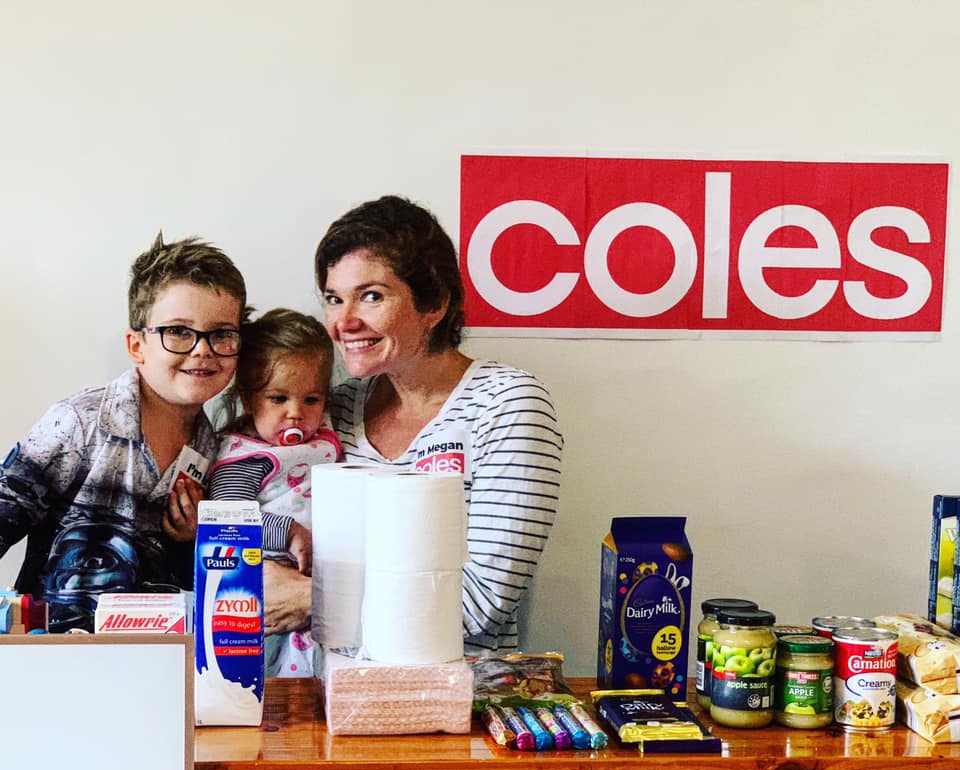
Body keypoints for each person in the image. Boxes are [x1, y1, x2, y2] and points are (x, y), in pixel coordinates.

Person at [265, 195, 563, 653]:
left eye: (371, 296)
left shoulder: (506, 405)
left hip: (459, 709)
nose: (344, 322)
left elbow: (480, 605)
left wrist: (313, 600)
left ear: (435, 303)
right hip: (330, 703)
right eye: (333, 298)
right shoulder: (331, 410)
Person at [0, 233, 247, 631]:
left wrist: (193, 540)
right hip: (57, 657)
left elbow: (202, 585)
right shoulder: (77, 424)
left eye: (221, 334)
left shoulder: (218, 448)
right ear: (137, 346)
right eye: (179, 332)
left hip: (161, 661)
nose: (202, 349)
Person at [208, 308, 341, 675]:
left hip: (325, 588)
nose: (296, 413)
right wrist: (288, 531)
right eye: (278, 399)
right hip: (267, 587)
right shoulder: (245, 458)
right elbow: (227, 517)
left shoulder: (327, 437)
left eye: (311, 400)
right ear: (250, 400)